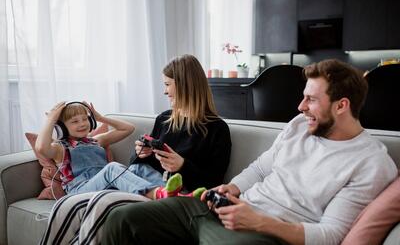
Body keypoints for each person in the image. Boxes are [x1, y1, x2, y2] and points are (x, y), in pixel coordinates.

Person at [102, 59, 398, 245]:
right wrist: (230, 187)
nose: (300, 107)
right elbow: (259, 169)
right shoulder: (298, 126)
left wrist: (257, 222)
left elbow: (331, 235)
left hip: (262, 232)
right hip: (222, 210)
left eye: (310, 100)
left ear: (341, 105)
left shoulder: (370, 162)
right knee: (121, 219)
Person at [40, 54, 232, 245]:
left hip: (182, 194)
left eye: (167, 84)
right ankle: (163, 193)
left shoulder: (217, 129)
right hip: (147, 186)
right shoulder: (164, 119)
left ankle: (171, 195)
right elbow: (140, 164)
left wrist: (182, 165)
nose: (165, 92)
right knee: (123, 176)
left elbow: (213, 182)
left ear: (184, 85)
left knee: (105, 200)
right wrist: (141, 153)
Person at [36, 101, 189, 199]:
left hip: (106, 183)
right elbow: (41, 147)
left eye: (85, 119)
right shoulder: (60, 148)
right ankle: (158, 194)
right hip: (80, 190)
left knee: (138, 167)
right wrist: (51, 120)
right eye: (75, 121)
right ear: (62, 128)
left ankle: (177, 194)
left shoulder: (96, 140)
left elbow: (128, 128)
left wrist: (100, 118)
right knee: (112, 168)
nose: (82, 124)